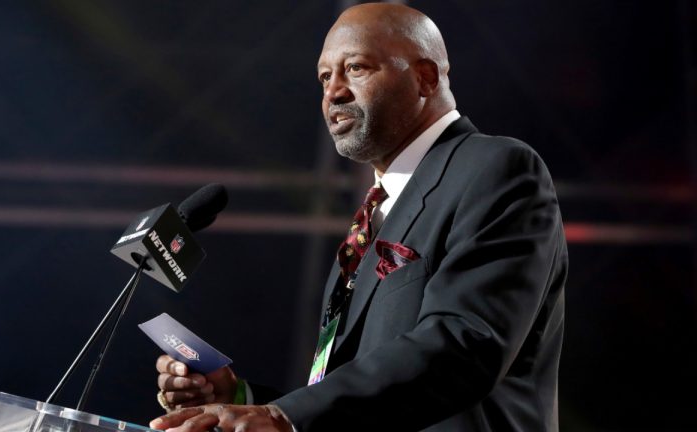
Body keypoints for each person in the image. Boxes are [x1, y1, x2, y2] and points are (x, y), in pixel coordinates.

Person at [150, 3, 567, 431]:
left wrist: (283, 418)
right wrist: (242, 400)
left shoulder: (494, 168)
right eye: (325, 77)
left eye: (356, 68)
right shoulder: (372, 219)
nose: (334, 92)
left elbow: (465, 344)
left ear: (424, 77)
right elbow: (358, 398)